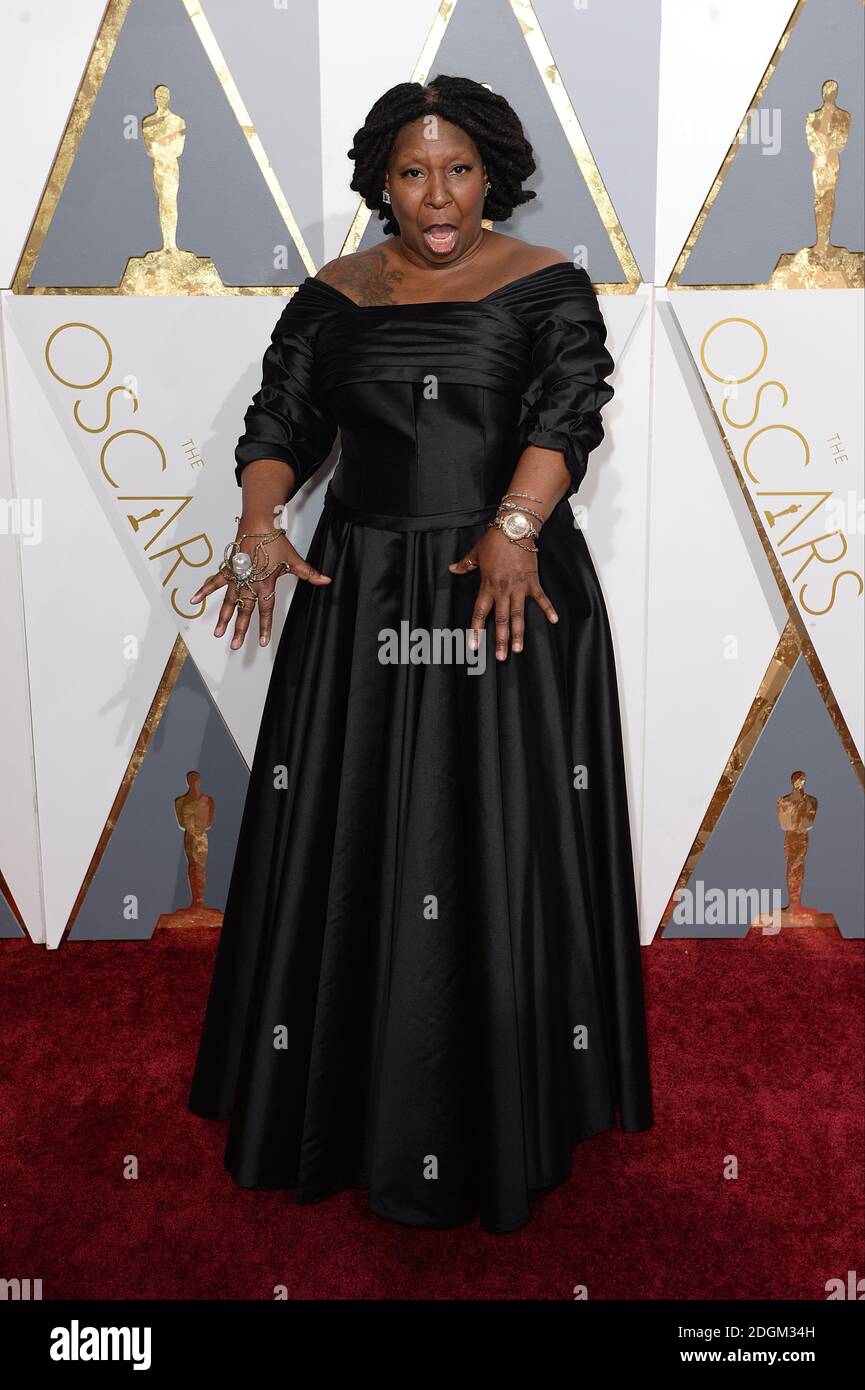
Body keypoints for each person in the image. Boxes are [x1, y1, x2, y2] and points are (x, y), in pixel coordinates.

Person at [187, 74, 653, 1234]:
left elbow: (567, 412)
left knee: (493, 835)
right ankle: (339, 1098)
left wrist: (512, 530)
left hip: (504, 593)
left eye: (456, 169)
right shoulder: (333, 295)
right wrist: (258, 524)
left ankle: (514, 1103)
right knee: (358, 838)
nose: (435, 197)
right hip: (361, 597)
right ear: (379, 182)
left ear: (492, 171)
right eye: (410, 172)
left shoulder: (546, 284)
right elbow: (282, 424)